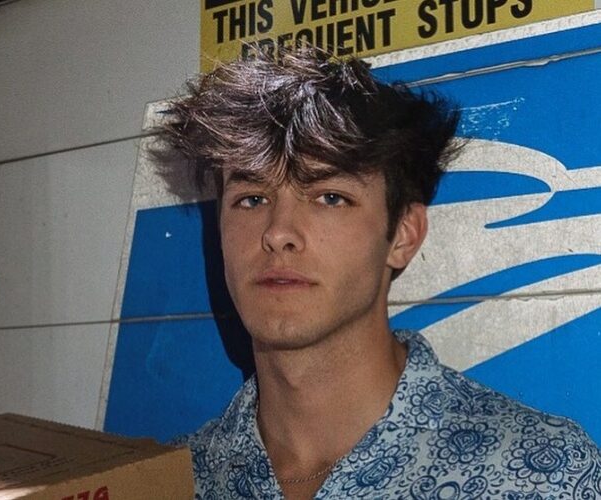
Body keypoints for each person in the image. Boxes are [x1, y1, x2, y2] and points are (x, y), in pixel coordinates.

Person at [160, 49, 601, 499]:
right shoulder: (169, 482)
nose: (278, 233)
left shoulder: (540, 475)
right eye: (251, 199)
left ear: (403, 235)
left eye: (330, 197)